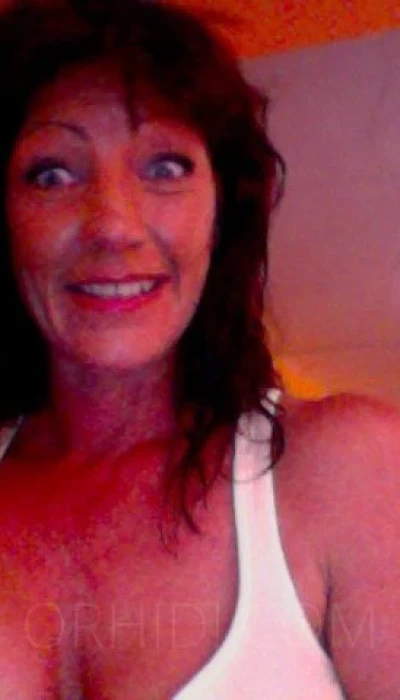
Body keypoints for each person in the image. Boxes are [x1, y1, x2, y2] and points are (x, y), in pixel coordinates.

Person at [0, 0, 399, 697]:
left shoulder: (349, 469)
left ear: (221, 215)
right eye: (52, 174)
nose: (113, 226)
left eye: (165, 167)